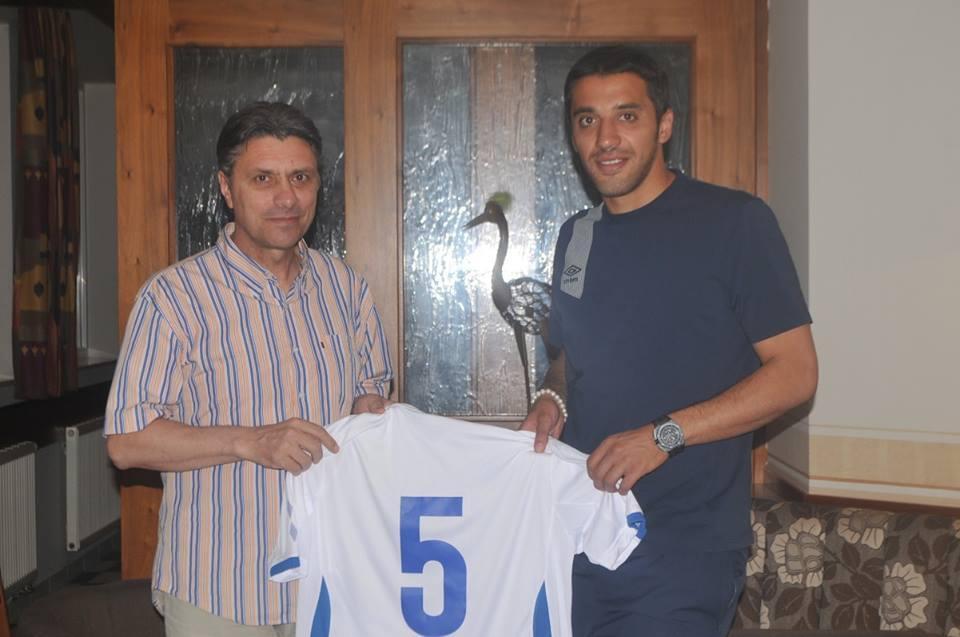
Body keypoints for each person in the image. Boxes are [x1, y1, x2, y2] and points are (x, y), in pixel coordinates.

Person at [521, 46, 818, 637]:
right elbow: (570, 356)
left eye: (626, 116)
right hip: (579, 535)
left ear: (663, 125)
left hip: (684, 551)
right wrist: (552, 399)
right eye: (588, 119)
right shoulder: (575, 237)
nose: (606, 138)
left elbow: (795, 373)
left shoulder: (736, 223)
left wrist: (663, 435)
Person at [104, 101, 393, 636]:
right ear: (226, 188)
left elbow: (369, 396)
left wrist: (371, 413)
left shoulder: (346, 288)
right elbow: (126, 441)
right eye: (263, 178)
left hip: (330, 583)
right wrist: (250, 441)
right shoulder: (173, 297)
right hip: (218, 590)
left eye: (300, 177)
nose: (286, 197)